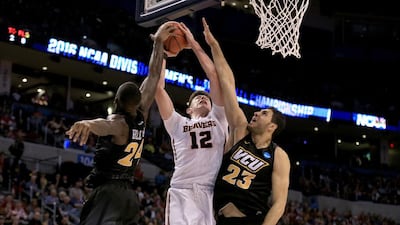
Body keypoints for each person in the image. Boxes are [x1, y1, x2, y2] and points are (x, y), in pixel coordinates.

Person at [65, 21, 176, 225]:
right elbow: (153, 75)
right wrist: (158, 44)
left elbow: (105, 125)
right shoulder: (142, 112)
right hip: (128, 196)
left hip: (109, 193)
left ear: (116, 101)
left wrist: (88, 124)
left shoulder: (119, 122)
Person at [202, 18, 291, 225]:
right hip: (217, 217)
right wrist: (214, 45)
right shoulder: (240, 130)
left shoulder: (278, 156)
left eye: (264, 113)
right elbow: (227, 83)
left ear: (272, 126)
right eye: (258, 111)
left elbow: (279, 203)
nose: (257, 113)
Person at [155, 22, 228, 225]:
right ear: (188, 109)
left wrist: (194, 44)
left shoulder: (219, 119)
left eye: (206, 97)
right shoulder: (178, 123)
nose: (203, 98)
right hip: (182, 189)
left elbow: (214, 75)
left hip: (211, 191)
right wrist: (161, 52)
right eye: (197, 98)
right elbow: (159, 89)